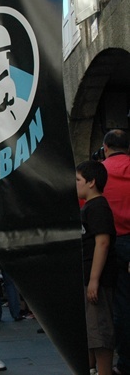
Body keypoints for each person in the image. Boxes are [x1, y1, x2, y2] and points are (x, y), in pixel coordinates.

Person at [76, 160, 117, 375]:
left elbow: (103, 242)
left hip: (98, 280)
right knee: (92, 330)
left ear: (91, 182)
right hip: (89, 277)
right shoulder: (90, 207)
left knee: (100, 331)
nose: (76, 185)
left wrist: (94, 279)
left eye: (78, 180)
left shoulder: (98, 206)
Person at [100, 129, 130, 375]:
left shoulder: (97, 174)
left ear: (106, 147)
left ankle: (125, 359)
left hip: (112, 243)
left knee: (119, 304)